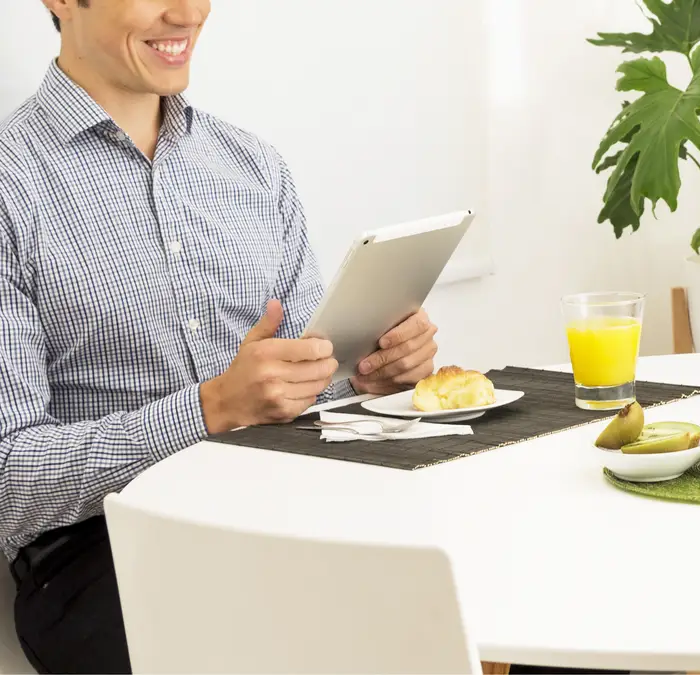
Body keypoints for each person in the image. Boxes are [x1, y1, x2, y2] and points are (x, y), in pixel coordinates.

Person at [2, 0, 441, 672]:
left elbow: (306, 391)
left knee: (483, 597)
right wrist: (210, 409)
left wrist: (368, 377)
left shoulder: (254, 166)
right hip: (105, 556)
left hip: (290, 508)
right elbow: (8, 479)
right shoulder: (12, 186)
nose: (187, 13)